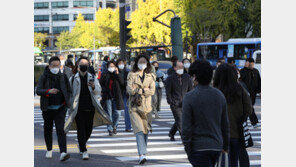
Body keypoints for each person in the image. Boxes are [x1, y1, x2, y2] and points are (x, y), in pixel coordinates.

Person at [182, 59, 230, 167]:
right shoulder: (219, 95)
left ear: (194, 76)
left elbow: (186, 128)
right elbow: (225, 124)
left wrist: (188, 149)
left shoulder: (189, 97)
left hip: (198, 147)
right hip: (216, 146)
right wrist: (225, 146)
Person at [64, 57, 111, 160]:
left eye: (86, 63)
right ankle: (84, 150)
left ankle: (82, 144)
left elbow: (98, 91)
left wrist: (94, 86)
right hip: (78, 108)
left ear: (88, 65)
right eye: (82, 63)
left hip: (90, 107)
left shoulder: (92, 77)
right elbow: (69, 93)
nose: (84, 65)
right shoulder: (73, 78)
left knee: (88, 129)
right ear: (78, 65)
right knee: (81, 129)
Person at [213, 63, 252, 167]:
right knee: (234, 160)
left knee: (220, 161)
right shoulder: (240, 89)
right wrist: (241, 118)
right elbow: (249, 109)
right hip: (236, 132)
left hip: (218, 134)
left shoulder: (214, 91)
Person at [36, 56, 71, 161]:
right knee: (48, 129)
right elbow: (38, 91)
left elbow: (69, 90)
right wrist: (48, 91)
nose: (56, 67)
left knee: (61, 130)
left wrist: (66, 102)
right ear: (49, 66)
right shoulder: (44, 76)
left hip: (60, 108)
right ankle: (49, 150)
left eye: (58, 65)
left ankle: (63, 152)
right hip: (47, 108)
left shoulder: (63, 76)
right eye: (53, 66)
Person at [127, 55, 155, 164]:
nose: (142, 63)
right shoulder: (131, 75)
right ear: (136, 63)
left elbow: (152, 91)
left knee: (145, 131)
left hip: (147, 108)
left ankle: (143, 153)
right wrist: (144, 90)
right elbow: (130, 90)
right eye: (140, 61)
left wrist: (138, 89)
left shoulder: (150, 76)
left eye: (144, 61)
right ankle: (141, 154)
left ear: (147, 63)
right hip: (134, 107)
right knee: (139, 130)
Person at [165, 61, 193, 141]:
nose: (181, 69)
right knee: (180, 120)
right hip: (175, 103)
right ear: (175, 68)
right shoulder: (170, 78)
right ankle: (184, 138)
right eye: (179, 67)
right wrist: (170, 101)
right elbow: (168, 92)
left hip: (185, 102)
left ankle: (171, 133)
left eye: (182, 67)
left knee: (180, 119)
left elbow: (190, 90)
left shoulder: (187, 77)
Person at [100, 60, 125, 136]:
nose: (111, 68)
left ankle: (114, 126)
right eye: (110, 66)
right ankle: (110, 129)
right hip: (107, 97)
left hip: (117, 97)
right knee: (109, 114)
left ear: (115, 67)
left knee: (117, 113)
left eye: (113, 66)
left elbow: (122, 83)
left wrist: (117, 74)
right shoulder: (105, 75)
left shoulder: (118, 74)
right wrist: (104, 91)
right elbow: (101, 84)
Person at [240, 58, 261, 128]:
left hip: (253, 94)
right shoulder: (242, 71)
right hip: (245, 93)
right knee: (249, 107)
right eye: (250, 64)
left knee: (248, 108)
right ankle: (254, 122)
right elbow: (240, 81)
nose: (252, 66)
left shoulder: (256, 71)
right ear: (247, 63)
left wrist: (260, 91)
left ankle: (244, 122)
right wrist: (245, 68)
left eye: (253, 64)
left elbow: (259, 82)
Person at [116, 58, 132, 132]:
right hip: (117, 93)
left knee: (127, 111)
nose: (121, 65)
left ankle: (128, 127)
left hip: (125, 93)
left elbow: (128, 82)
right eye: (119, 63)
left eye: (122, 63)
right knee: (117, 112)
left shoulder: (127, 72)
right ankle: (114, 126)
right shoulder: (114, 72)